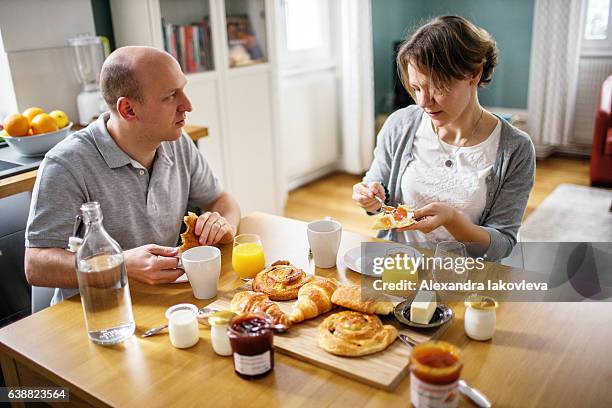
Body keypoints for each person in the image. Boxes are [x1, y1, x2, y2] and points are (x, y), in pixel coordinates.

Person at [25, 46, 241, 304]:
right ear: (128, 110)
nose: (188, 105)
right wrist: (119, 265)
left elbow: (222, 200)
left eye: (183, 89)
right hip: (99, 314)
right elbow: (36, 265)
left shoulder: (176, 141)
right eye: (171, 96)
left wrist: (224, 224)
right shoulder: (66, 164)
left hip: (162, 300)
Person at [352, 16, 535, 261]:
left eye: (437, 88)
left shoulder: (515, 149)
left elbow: (502, 244)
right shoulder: (400, 125)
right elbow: (377, 188)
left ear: (474, 74)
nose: (422, 102)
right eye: (416, 88)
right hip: (401, 269)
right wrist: (371, 197)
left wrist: (452, 220)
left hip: (468, 282)